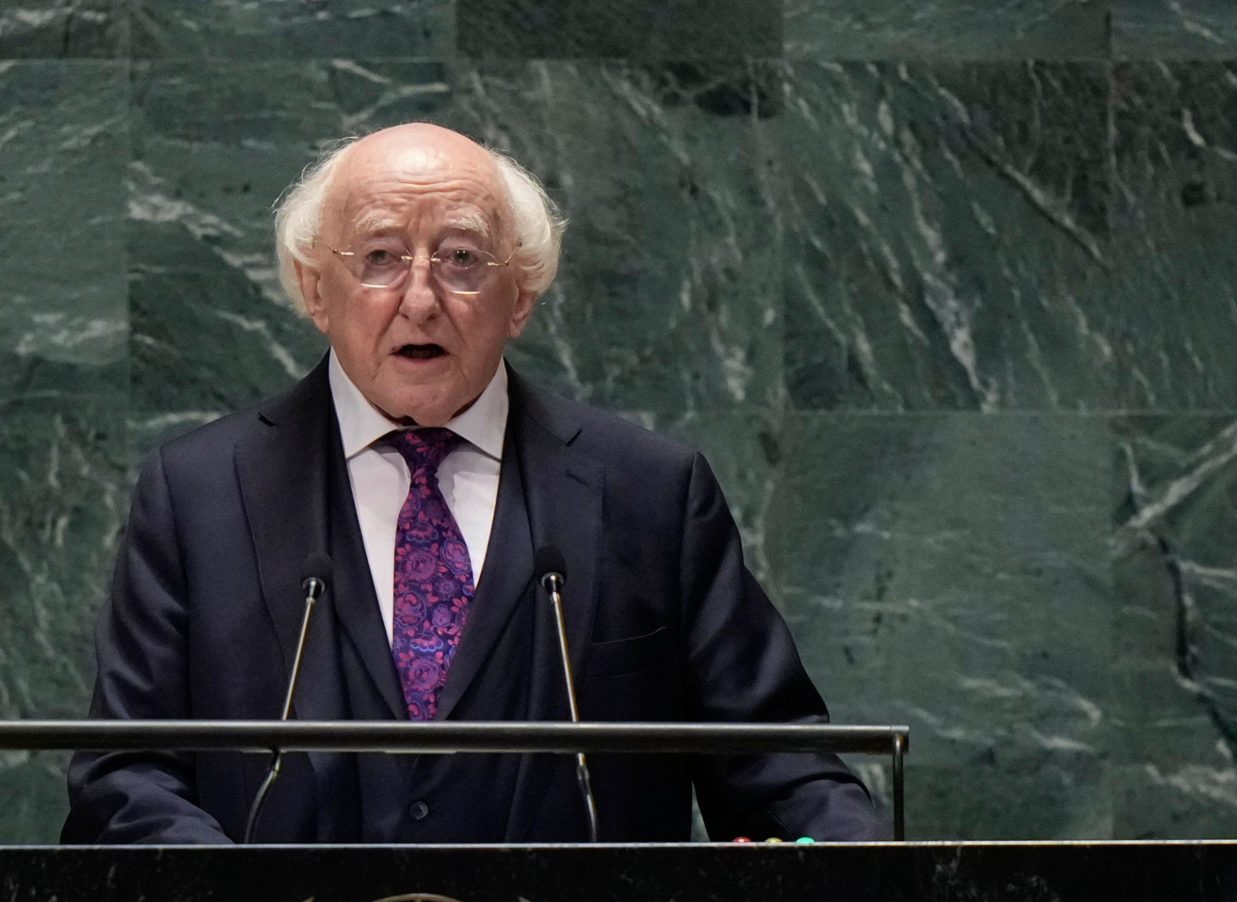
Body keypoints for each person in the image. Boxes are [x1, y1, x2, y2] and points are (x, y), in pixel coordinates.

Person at [62, 123, 880, 845]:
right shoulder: (200, 493)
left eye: (461, 260)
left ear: (519, 293)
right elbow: (127, 776)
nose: (420, 300)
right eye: (379, 258)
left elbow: (781, 768)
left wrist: (865, 876)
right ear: (316, 289)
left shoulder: (649, 494)